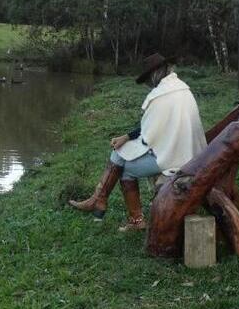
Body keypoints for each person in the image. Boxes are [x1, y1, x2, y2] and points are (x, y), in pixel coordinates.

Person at [69, 53, 207, 231]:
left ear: (156, 72)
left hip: (175, 159)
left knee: (124, 167)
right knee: (121, 152)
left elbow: (148, 136)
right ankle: (100, 201)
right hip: (189, 152)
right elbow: (153, 126)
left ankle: (116, 209)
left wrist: (127, 143)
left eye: (149, 77)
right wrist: (126, 137)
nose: (149, 83)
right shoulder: (181, 88)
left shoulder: (161, 95)